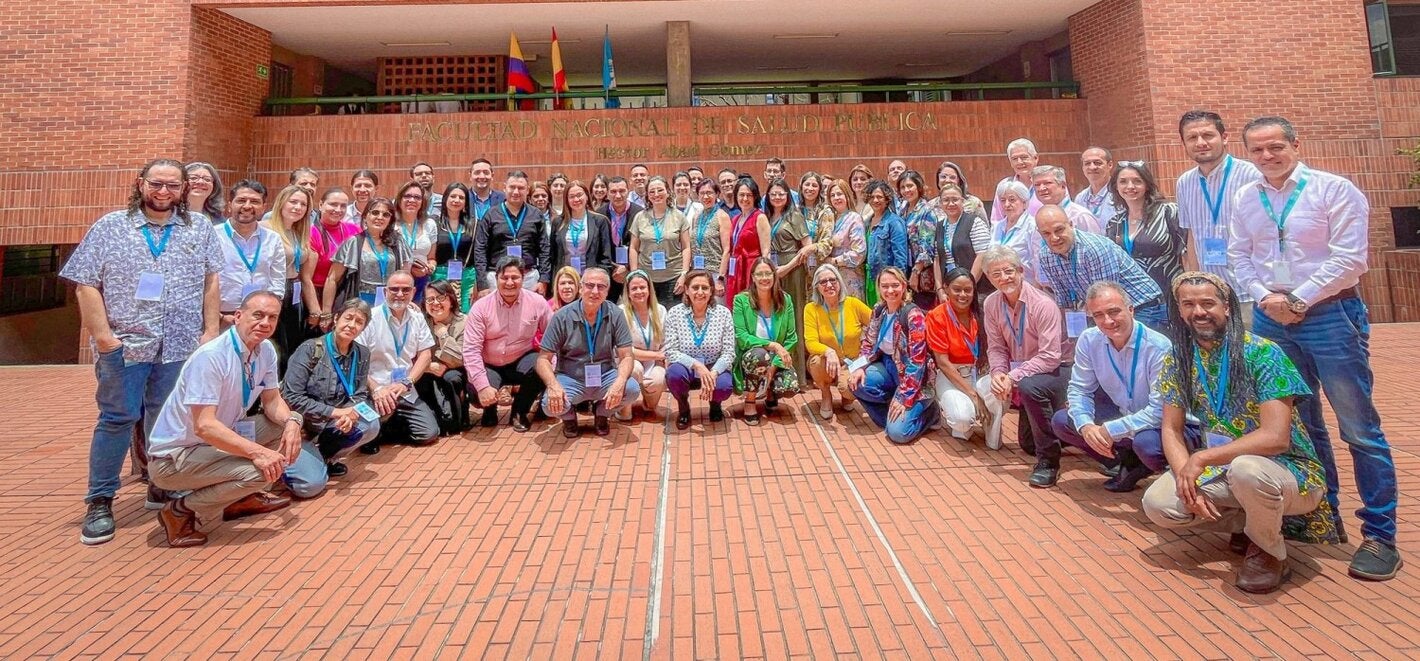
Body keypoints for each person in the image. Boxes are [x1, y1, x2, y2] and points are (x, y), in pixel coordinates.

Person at [1229, 116, 1401, 580]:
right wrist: (1265, 297)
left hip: (1329, 315)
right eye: (1258, 150)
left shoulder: (1334, 190)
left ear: (1295, 145)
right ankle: (1322, 516)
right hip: (1271, 318)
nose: (1268, 156)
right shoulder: (1247, 197)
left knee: (1358, 427)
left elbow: (1351, 258)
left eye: (1276, 147)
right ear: (1248, 154)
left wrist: (1300, 298)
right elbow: (1238, 255)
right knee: (1300, 426)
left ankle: (1380, 535)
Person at [1143, 271, 1340, 593]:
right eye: (1188, 304)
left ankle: (1269, 552)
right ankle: (1252, 523)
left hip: (1289, 471)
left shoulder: (1263, 353)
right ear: (1179, 311)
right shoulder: (1179, 357)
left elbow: (1276, 437)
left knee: (1246, 468)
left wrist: (1203, 458)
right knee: (1159, 504)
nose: (1198, 312)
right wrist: (1185, 477)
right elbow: (1171, 427)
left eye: (1208, 303)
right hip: (1224, 468)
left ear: (1227, 308)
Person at [62, 158, 223, 545]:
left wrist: (211, 330)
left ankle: (161, 483)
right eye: (157, 184)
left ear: (184, 189)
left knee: (166, 419)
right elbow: (85, 283)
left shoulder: (198, 227)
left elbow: (211, 278)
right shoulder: (111, 226)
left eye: (172, 185)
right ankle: (100, 500)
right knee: (117, 419)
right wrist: (104, 338)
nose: (164, 192)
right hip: (126, 345)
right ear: (141, 184)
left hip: (180, 345)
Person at [146, 292, 315, 547]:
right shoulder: (211, 356)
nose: (265, 323)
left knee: (277, 426)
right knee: (262, 472)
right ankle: (179, 511)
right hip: (177, 456)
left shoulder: (265, 350)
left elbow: (272, 401)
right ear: (238, 316)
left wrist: (292, 421)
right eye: (257, 315)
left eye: (272, 317)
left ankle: (239, 499)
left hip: (218, 438)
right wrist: (258, 453)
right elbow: (204, 426)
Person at [1050, 281, 1176, 492]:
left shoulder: (1159, 347)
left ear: (1131, 309)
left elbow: (1159, 412)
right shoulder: (1089, 340)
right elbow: (1079, 389)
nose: (1107, 321)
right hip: (1122, 413)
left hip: (1157, 424)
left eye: (1114, 312)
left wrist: (1110, 429)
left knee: (1147, 446)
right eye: (1098, 315)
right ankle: (1125, 461)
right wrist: (1087, 426)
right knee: (1064, 421)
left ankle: (1164, 472)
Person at [979, 246, 1068, 487]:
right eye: (995, 274)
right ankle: (1064, 432)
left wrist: (1012, 376)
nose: (1003, 278)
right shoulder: (991, 304)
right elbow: (996, 347)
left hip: (1058, 370)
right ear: (988, 277)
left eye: (1008, 271)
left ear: (1020, 271)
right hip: (1024, 373)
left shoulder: (1042, 304)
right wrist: (998, 373)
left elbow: (1051, 356)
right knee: (1027, 444)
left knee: (1029, 386)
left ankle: (1049, 462)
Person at [1176, 110, 1263, 320]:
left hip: (1250, 294)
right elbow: (1192, 236)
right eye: (1192, 138)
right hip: (1211, 297)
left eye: (1207, 135)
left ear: (1224, 138)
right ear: (1184, 144)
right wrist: (1195, 284)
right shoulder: (1184, 183)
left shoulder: (1252, 176)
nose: (1200, 142)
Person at [281, 299, 382, 478]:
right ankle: (304, 458)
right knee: (309, 486)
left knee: (371, 424)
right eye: (348, 318)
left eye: (359, 322)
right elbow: (291, 396)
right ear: (336, 319)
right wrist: (335, 412)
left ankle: (326, 458)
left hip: (334, 421)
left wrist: (351, 415)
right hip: (303, 424)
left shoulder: (362, 353)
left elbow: (359, 394)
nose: (352, 325)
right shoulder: (310, 349)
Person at [537, 268, 640, 438]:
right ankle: (569, 417)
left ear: (607, 291)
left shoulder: (615, 314)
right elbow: (543, 359)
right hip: (571, 377)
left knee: (631, 389)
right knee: (549, 404)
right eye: (590, 285)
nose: (594, 291)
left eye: (601, 287)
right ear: (580, 288)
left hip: (605, 375)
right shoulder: (561, 316)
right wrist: (553, 385)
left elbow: (627, 356)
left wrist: (620, 381)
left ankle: (602, 414)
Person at [1035, 205, 1168, 333]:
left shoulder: (1094, 248)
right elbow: (1065, 301)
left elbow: (1106, 297)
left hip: (1144, 306)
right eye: (1046, 233)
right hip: (1107, 311)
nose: (1054, 238)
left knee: (1139, 353)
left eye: (1059, 230)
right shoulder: (1046, 257)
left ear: (1070, 224)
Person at [848, 267, 937, 443]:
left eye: (895, 285)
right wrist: (860, 367)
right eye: (885, 286)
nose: (890, 291)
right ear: (879, 288)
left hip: (913, 376)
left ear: (904, 286)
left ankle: (931, 414)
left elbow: (917, 362)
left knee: (898, 434)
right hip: (888, 366)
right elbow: (868, 342)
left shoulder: (913, 315)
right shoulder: (879, 310)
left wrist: (905, 397)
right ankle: (891, 415)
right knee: (856, 383)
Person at [464, 257, 552, 432]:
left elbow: (553, 338)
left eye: (515, 277)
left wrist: (552, 372)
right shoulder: (480, 307)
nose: (509, 282)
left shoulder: (537, 303)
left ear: (523, 278)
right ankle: (489, 409)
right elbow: (471, 350)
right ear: (496, 278)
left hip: (522, 360)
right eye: (504, 278)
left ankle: (519, 411)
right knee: (475, 390)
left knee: (542, 367)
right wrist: (482, 387)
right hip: (489, 364)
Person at [357, 270, 439, 451]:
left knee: (429, 433)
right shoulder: (370, 319)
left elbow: (425, 354)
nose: (400, 294)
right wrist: (377, 388)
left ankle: (386, 427)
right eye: (394, 289)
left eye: (405, 290)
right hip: (376, 391)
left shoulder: (418, 318)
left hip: (405, 389)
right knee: (365, 434)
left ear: (413, 291)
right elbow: (357, 361)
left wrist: (407, 382)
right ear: (385, 291)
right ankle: (377, 427)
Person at [925, 268, 1001, 446]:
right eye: (957, 289)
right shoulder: (937, 316)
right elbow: (943, 363)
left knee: (999, 390)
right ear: (946, 289)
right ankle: (963, 420)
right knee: (962, 419)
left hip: (980, 372)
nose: (962, 295)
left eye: (968, 290)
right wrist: (974, 395)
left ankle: (992, 428)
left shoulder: (982, 312)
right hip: (952, 376)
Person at [663, 269, 736, 429]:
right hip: (687, 368)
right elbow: (670, 350)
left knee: (724, 387)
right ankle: (683, 408)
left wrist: (714, 372)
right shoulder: (675, 314)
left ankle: (715, 404)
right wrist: (697, 365)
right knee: (674, 375)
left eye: (705, 287)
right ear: (687, 290)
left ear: (712, 291)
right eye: (695, 287)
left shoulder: (723, 314)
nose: (700, 292)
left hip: (713, 366)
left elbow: (729, 351)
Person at [1105, 161, 1188, 301]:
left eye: (1137, 181)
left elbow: (1186, 253)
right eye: (1123, 182)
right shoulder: (1114, 224)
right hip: (1133, 300)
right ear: (1116, 186)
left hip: (1169, 296)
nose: (1130, 186)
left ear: (1147, 185)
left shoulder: (1169, 212)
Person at [733, 258, 801, 424]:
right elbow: (742, 337)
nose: (764, 278)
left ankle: (770, 391)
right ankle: (750, 401)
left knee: (790, 385)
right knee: (759, 355)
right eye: (760, 274)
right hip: (753, 355)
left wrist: (774, 365)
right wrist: (773, 345)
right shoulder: (741, 300)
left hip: (776, 359)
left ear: (774, 275)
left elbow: (792, 338)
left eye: (768, 273)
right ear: (753, 277)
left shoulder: (785, 300)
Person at [803, 264, 872, 420]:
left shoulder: (853, 304)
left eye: (833, 280)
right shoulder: (811, 309)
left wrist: (867, 350)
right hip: (826, 361)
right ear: (817, 287)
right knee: (815, 362)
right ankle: (826, 394)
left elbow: (876, 324)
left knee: (849, 388)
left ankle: (847, 396)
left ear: (840, 282)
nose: (829, 285)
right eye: (823, 282)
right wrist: (829, 351)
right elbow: (810, 342)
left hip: (851, 361)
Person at [216, 180, 286, 329]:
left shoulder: (273, 239)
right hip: (220, 317)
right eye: (241, 200)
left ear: (263, 207)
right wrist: (220, 317)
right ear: (230, 205)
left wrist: (268, 313)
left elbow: (277, 281)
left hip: (259, 318)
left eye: (254, 201)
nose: (247, 206)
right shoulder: (213, 235)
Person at [262, 184, 318, 371]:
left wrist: (315, 310)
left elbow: (305, 275)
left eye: (303, 204)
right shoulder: (264, 229)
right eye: (293, 202)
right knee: (275, 345)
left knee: (292, 344)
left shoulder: (298, 233)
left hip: (294, 293)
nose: (297, 207)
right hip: (272, 291)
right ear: (281, 203)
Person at [323, 198, 411, 311]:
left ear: (390, 220)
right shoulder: (353, 243)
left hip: (391, 303)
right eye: (375, 212)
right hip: (360, 303)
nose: (380, 217)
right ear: (365, 216)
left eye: (386, 215)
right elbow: (332, 279)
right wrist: (326, 312)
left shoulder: (398, 242)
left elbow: (405, 278)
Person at [474, 171, 551, 296]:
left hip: (529, 277)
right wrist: (482, 284)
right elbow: (480, 250)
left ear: (527, 191)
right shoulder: (491, 215)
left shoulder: (536, 215)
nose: (516, 192)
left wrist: (543, 280)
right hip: (497, 277)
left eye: (521, 188)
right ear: (504, 188)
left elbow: (544, 250)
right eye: (512, 187)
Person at [765, 178, 814, 368]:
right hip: (772, 270)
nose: (777, 197)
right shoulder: (767, 217)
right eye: (773, 194)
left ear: (788, 196)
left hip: (792, 270)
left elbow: (807, 247)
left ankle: (798, 371)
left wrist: (787, 268)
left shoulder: (794, 216)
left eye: (781, 193)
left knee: (794, 317)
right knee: (777, 316)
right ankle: (777, 367)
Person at [413, 279, 469, 434]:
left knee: (451, 377)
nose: (435, 303)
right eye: (430, 299)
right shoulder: (420, 322)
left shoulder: (464, 321)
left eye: (440, 298)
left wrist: (444, 335)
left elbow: (460, 359)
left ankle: (458, 417)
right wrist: (428, 366)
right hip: (428, 370)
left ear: (451, 300)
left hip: (456, 371)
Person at [629, 176, 693, 303]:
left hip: (674, 277)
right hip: (646, 278)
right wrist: (634, 274)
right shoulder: (640, 217)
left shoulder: (679, 216)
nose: (656, 194)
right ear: (647, 195)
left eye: (660, 190)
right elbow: (633, 248)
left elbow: (686, 247)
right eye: (652, 191)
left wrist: (684, 274)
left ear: (668, 192)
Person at [309, 188, 362, 329]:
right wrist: (320, 311)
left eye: (343, 206)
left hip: (347, 293)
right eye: (333, 204)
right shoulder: (311, 233)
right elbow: (306, 278)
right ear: (321, 205)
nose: (338, 209)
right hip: (317, 295)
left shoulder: (355, 230)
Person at [621, 270, 668, 419]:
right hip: (629, 361)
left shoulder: (660, 311)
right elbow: (623, 350)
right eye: (634, 288)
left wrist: (662, 356)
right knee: (635, 369)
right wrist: (657, 355)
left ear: (649, 290)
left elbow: (667, 342)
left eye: (642, 287)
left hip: (654, 362)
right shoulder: (620, 312)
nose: (639, 291)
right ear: (628, 293)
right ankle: (623, 410)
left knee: (659, 379)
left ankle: (648, 404)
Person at [932, 183, 991, 298]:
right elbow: (937, 259)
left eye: (955, 199)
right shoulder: (940, 226)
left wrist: (968, 286)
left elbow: (982, 255)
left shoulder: (975, 222)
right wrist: (940, 290)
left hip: (976, 289)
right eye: (946, 200)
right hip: (950, 288)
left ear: (962, 201)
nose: (951, 204)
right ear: (940, 204)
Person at [816, 179, 867, 300]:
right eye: (832, 195)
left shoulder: (854, 218)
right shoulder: (829, 218)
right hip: (831, 278)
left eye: (839, 194)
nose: (836, 198)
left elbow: (859, 253)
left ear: (847, 195)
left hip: (850, 278)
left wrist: (834, 261)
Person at [551, 180, 615, 277]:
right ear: (566, 199)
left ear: (586, 196)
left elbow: (606, 256)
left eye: (579, 195)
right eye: (571, 196)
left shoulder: (600, 221)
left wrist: (598, 277)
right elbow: (553, 255)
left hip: (591, 279)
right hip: (566, 278)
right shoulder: (558, 222)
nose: (576, 199)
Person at [724, 178, 772, 302]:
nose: (745, 199)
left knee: (751, 304)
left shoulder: (760, 217)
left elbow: (766, 250)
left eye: (749, 195)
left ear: (755, 197)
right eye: (741, 195)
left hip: (752, 268)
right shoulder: (735, 219)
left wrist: (762, 274)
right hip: (735, 268)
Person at [990, 179, 1043, 286]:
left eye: (1012, 200)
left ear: (1024, 203)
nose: (1007, 204)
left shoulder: (1033, 226)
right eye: (1003, 200)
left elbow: (1038, 261)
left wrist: (1038, 289)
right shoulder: (997, 226)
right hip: (1002, 285)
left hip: (1028, 285)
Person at [864, 179, 909, 307]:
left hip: (887, 282)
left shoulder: (894, 222)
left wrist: (898, 284)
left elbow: (900, 256)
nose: (875, 200)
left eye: (879, 197)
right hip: (870, 279)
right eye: (872, 197)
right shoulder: (867, 222)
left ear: (887, 199)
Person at [433, 182, 477, 311]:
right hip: (440, 276)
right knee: (441, 312)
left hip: (467, 277)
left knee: (466, 315)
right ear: (445, 198)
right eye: (453, 196)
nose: (456, 200)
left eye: (461, 197)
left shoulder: (474, 224)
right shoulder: (434, 222)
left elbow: (478, 253)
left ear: (466, 203)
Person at [899, 171, 938, 309]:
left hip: (921, 274)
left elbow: (927, 246)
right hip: (905, 270)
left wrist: (916, 272)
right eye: (903, 187)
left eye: (910, 186)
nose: (906, 190)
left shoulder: (927, 211)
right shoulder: (902, 210)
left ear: (918, 187)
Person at [393, 180, 437, 300]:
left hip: (422, 282)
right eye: (407, 196)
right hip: (397, 283)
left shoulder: (430, 224)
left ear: (422, 202)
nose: (412, 200)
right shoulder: (391, 224)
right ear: (399, 199)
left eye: (417, 197)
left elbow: (432, 258)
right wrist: (410, 268)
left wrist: (429, 268)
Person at [604, 176, 644, 300]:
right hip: (609, 273)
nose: (618, 195)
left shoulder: (640, 213)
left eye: (622, 191)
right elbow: (597, 248)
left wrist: (627, 268)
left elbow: (643, 245)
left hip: (633, 271)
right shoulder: (599, 214)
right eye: (613, 192)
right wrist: (614, 269)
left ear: (628, 191)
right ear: (607, 193)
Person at [690, 179, 732, 294]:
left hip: (715, 273)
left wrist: (721, 278)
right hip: (697, 271)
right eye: (702, 193)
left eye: (709, 193)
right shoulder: (697, 216)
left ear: (717, 194)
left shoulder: (722, 216)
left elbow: (727, 250)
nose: (706, 196)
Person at [1032, 165, 1101, 234]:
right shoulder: (1039, 217)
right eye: (1037, 185)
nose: (1041, 188)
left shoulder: (1080, 216)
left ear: (1063, 185)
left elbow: (1096, 244)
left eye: (1047, 183)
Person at [990, 138, 1043, 222]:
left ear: (1035, 158)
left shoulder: (1048, 183)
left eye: (1024, 157)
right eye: (1014, 159)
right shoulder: (1004, 185)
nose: (1020, 162)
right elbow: (997, 219)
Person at [1075, 147, 1116, 218]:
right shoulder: (1080, 198)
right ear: (1083, 168)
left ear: (1110, 165)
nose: (1092, 167)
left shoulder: (1119, 194)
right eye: (1087, 163)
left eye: (1097, 163)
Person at [467, 158, 506, 223]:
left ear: (492, 176)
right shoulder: (463, 198)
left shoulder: (503, 199)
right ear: (470, 176)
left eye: (486, 172)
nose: (482, 176)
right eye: (477, 172)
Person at [799, 171, 833, 244]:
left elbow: (827, 242)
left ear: (820, 189)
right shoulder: (795, 210)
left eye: (814, 185)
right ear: (801, 187)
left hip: (817, 254)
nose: (810, 188)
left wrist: (811, 249)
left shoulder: (825, 211)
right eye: (807, 184)